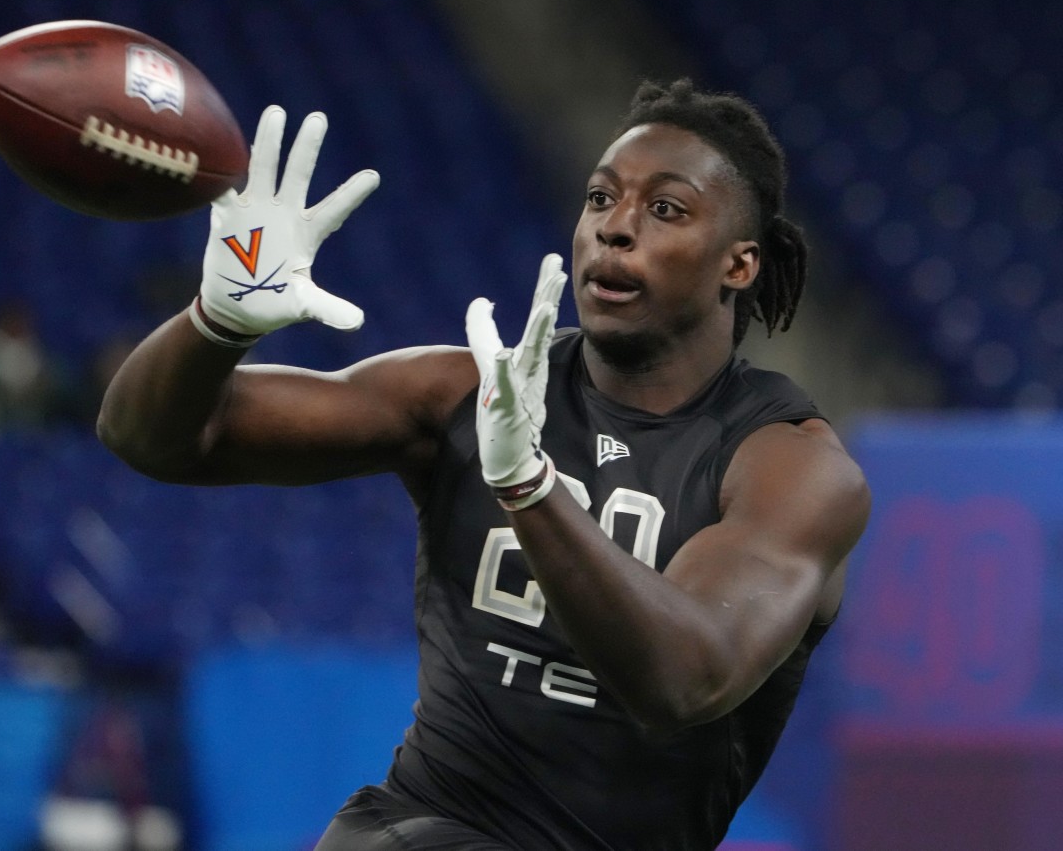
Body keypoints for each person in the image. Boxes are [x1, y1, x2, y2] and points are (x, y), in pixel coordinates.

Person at [97, 78, 870, 851]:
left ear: (739, 265)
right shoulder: (460, 393)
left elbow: (686, 678)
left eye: (665, 209)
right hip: (424, 828)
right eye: (600, 199)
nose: (616, 228)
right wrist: (215, 322)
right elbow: (155, 438)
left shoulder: (790, 466)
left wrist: (528, 487)